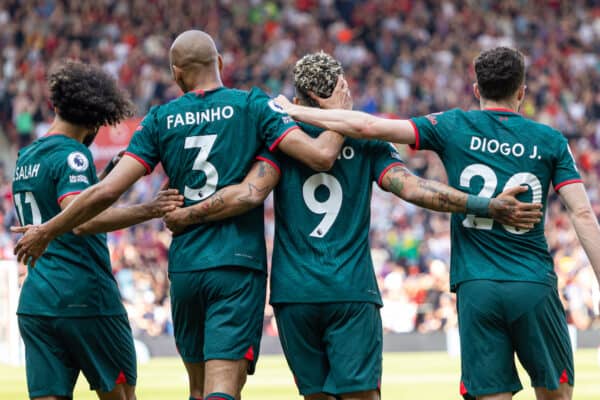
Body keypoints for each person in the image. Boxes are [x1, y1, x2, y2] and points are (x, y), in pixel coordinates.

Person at [162, 51, 542, 400]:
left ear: (299, 97)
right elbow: (413, 188)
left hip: (294, 294)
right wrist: (484, 205)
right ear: (341, 92)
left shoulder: (279, 142)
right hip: (350, 290)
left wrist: (185, 213)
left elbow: (248, 192)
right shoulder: (367, 142)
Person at [12, 30, 350, 400]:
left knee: (198, 388)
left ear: (176, 73)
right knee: (223, 387)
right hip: (235, 264)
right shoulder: (253, 105)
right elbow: (319, 156)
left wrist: (47, 230)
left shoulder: (159, 119)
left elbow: (107, 191)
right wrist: (338, 115)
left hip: (185, 268)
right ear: (219, 62)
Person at [273, 47, 600, 400]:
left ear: (476, 89)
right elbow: (582, 214)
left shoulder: (452, 125)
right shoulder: (550, 140)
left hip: (476, 286)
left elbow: (367, 125)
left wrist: (294, 111)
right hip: (533, 282)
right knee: (557, 395)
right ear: (522, 90)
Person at [10, 61, 184, 400]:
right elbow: (82, 221)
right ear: (96, 118)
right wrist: (151, 209)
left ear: (55, 105)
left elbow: (64, 206)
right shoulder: (73, 155)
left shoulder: (25, 156)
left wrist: (102, 182)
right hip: (85, 296)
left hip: (37, 301)